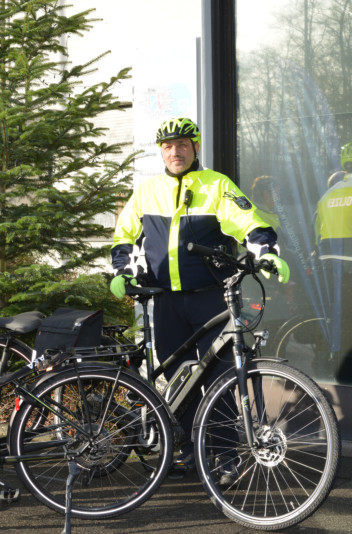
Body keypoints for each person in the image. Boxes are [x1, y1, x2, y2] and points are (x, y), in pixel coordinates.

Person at [110, 118, 289, 480]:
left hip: (211, 298)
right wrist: (122, 271)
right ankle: (191, 451)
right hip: (166, 301)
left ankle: (224, 457)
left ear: (195, 147)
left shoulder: (216, 186)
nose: (174, 152)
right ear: (161, 151)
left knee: (221, 379)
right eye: (167, 147)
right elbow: (124, 234)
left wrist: (265, 251)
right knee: (179, 380)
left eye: (181, 145)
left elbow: (248, 221)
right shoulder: (147, 190)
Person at [314, 143, 352, 380]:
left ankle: (329, 363)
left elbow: (317, 232)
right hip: (349, 265)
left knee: (337, 319)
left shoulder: (328, 194)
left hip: (331, 269)